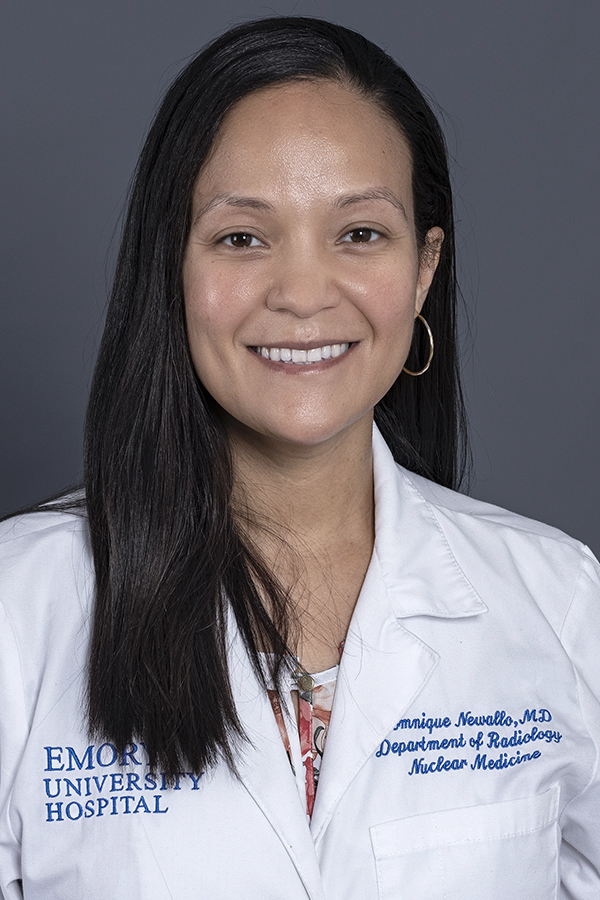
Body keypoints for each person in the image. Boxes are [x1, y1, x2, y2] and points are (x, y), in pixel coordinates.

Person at [0, 16, 598, 900]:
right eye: (243, 237)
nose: (304, 294)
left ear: (426, 268)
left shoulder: (560, 600)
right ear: (173, 268)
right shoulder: (20, 610)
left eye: (360, 233)